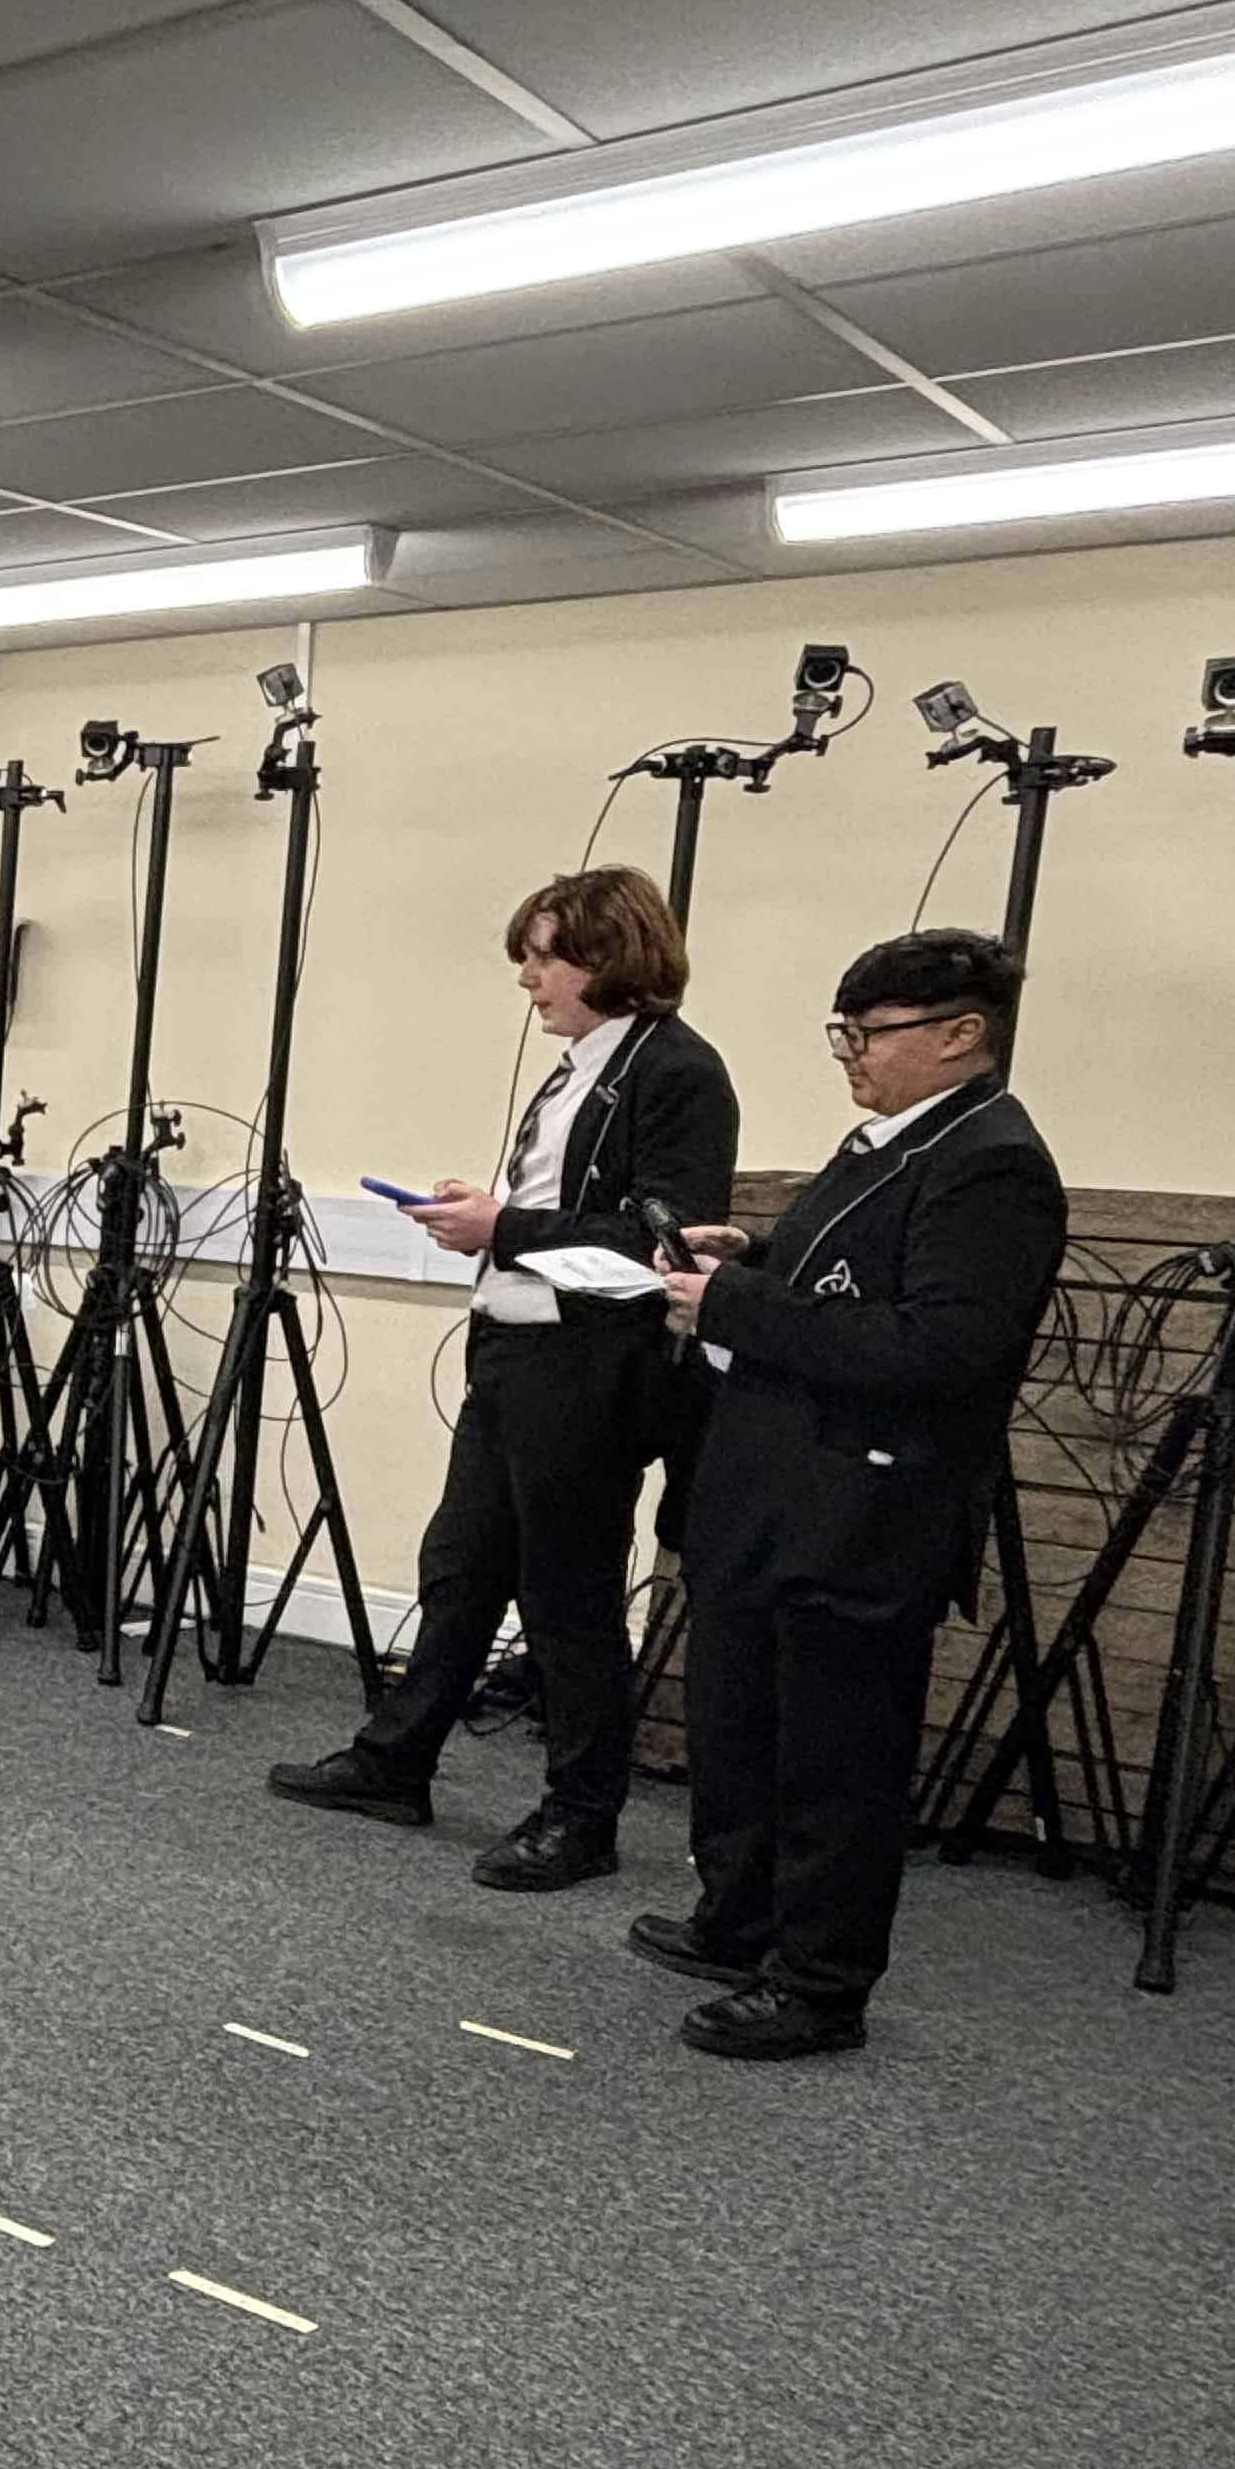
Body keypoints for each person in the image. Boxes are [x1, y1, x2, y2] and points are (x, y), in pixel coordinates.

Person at [634, 929, 1065, 2060]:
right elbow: (853, 1272)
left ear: (962, 1034)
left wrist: (736, 1305)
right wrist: (761, 1255)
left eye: (867, 1034)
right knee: (738, 1726)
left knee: (834, 1759)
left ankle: (820, 1982)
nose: (849, 1055)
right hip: (774, 1491)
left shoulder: (993, 1162)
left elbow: (940, 1347)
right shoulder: (888, 1144)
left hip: (865, 1511)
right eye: (844, 1031)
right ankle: (740, 1920)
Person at [268, 866, 738, 1890]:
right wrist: (490, 1218)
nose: (529, 978)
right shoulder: (582, 1064)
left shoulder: (676, 1072)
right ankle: (397, 1759)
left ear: (611, 957)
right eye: (526, 955)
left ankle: (582, 1814)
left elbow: (670, 1236)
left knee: (566, 1591)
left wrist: (504, 1228)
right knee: (465, 1565)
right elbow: (573, 1207)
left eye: (547, 955)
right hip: (516, 1347)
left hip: (588, 1364)